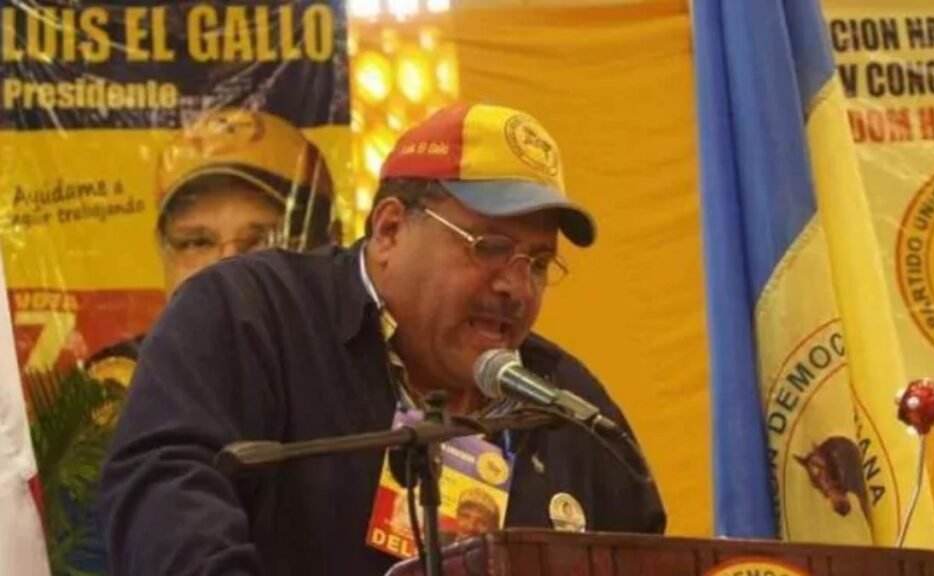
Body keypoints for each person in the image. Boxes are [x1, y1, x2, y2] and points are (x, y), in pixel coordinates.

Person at [100, 102, 665, 575]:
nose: (516, 287)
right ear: (390, 229)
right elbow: (165, 495)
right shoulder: (249, 316)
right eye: (490, 248)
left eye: (537, 263)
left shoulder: (570, 409)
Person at [71, 108, 337, 573]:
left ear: (329, 244)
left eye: (260, 238)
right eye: (196, 242)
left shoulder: (375, 373)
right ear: (164, 253)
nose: (224, 266)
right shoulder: (106, 393)